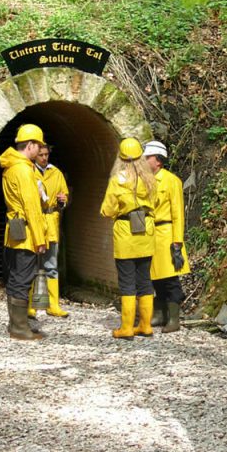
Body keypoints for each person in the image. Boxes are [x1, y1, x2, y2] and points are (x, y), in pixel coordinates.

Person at [100, 137, 157, 339]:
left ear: (121, 158)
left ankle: (126, 328)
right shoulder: (150, 179)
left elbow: (107, 209)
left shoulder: (118, 180)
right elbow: (155, 202)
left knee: (127, 281)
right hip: (147, 232)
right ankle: (145, 325)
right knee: (144, 280)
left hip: (126, 233)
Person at [0, 123, 49, 341]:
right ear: (30, 145)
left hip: (14, 230)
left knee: (15, 277)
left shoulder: (11, 166)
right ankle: (19, 328)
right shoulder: (23, 170)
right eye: (38, 146)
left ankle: (16, 323)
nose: (40, 151)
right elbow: (32, 207)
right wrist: (40, 239)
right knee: (23, 278)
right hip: (27, 234)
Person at [143, 140, 190, 333]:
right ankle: (160, 313)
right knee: (154, 277)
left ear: (158, 161)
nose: (144, 161)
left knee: (170, 279)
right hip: (150, 234)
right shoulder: (144, 180)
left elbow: (178, 213)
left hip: (167, 234)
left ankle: (174, 319)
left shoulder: (171, 181)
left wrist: (177, 243)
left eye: (147, 158)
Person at [28, 143, 70, 319]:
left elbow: (64, 196)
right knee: (32, 264)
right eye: (41, 155)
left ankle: (53, 305)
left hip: (51, 221)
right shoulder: (28, 171)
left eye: (46, 155)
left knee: (51, 265)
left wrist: (62, 200)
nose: (44, 158)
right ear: (35, 156)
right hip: (35, 220)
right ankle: (32, 304)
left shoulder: (56, 173)